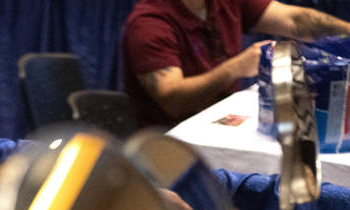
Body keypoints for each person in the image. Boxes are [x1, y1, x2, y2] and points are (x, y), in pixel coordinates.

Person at [123, 0, 350, 127]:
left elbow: (294, 20)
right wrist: (235, 68)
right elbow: (173, 100)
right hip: (172, 144)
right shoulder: (149, 23)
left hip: (217, 125)